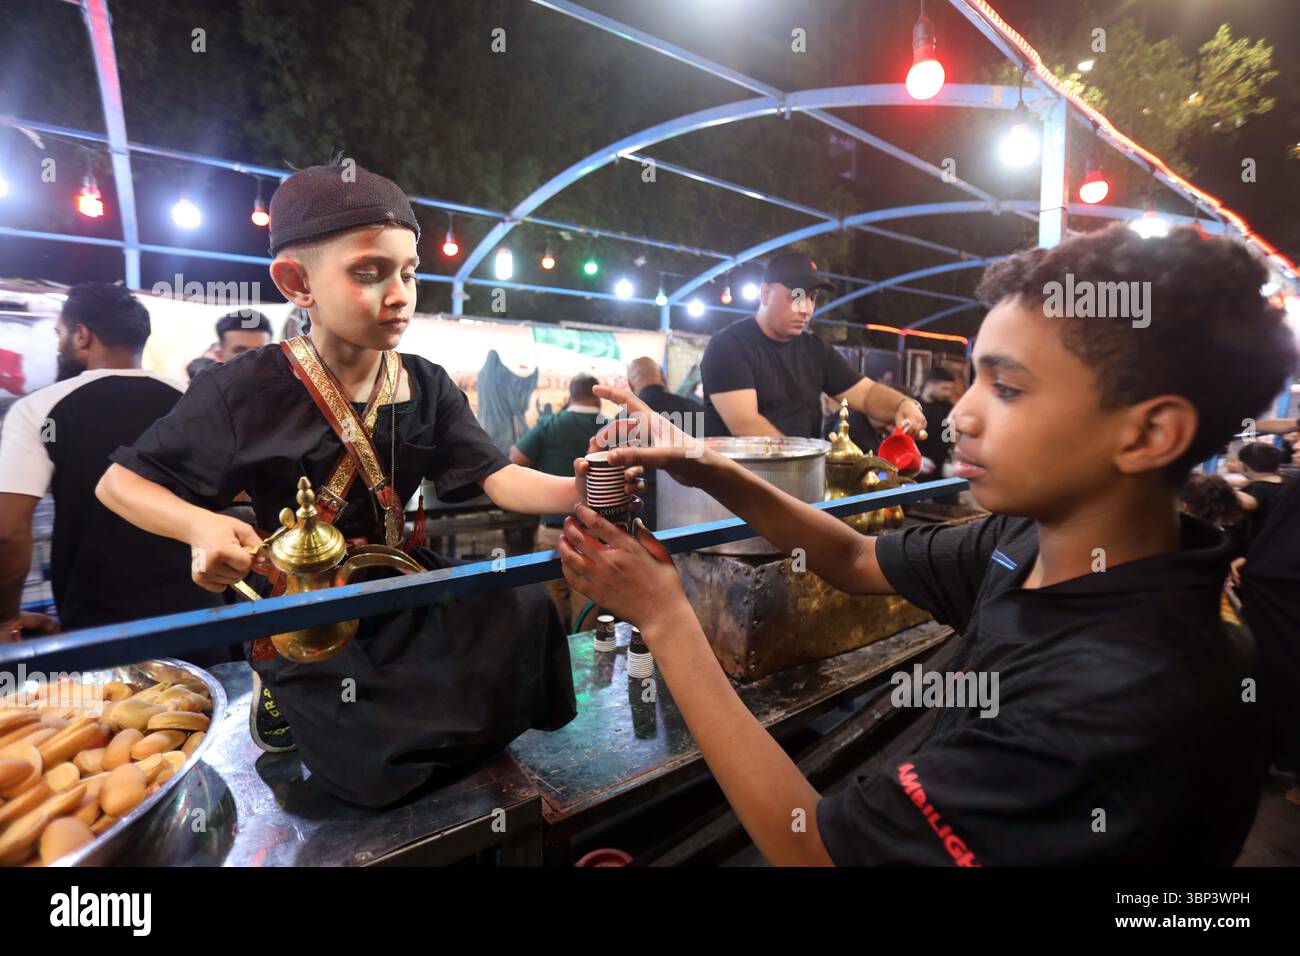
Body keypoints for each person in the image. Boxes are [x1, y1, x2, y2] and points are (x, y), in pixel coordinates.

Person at [559, 223, 1295, 865]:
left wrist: (664, 618)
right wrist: (702, 460)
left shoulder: (1114, 703)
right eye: (973, 378)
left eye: (1007, 389)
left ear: (1147, 433)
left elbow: (812, 848)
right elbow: (851, 558)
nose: (961, 416)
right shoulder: (1033, 543)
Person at [96, 163, 642, 806]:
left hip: (399, 578)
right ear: (297, 283)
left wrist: (577, 490)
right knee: (371, 762)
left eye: (409, 272)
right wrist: (201, 523)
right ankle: (319, 712)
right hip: (310, 602)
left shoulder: (427, 382)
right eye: (368, 273)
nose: (400, 294)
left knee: (520, 608)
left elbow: (498, 476)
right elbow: (119, 483)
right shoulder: (242, 388)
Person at [0, 283, 223, 642]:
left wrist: (5, 618)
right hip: (202, 612)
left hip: (99, 626)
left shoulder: (40, 408)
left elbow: (7, 532)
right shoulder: (192, 401)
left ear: (82, 335)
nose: (58, 344)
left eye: (60, 333)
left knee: (116, 700)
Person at [700, 251, 926, 441]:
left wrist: (902, 405)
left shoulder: (816, 350)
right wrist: (805, 466)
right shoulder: (728, 346)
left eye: (812, 297)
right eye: (796, 297)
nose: (806, 309)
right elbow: (745, 425)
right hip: (736, 484)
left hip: (798, 480)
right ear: (765, 293)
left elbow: (865, 393)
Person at [510, 373, 606, 630]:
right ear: (597, 398)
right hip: (595, 534)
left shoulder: (549, 424)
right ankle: (583, 666)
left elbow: (515, 459)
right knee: (587, 610)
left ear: (570, 396)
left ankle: (555, 664)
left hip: (553, 530)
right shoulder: (610, 428)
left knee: (549, 604)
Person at [1234, 442, 1294, 545]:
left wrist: (1222, 487)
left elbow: (1251, 502)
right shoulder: (1289, 480)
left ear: (1244, 466)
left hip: (1255, 547)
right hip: (1284, 540)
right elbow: (1263, 485)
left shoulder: (1255, 491)